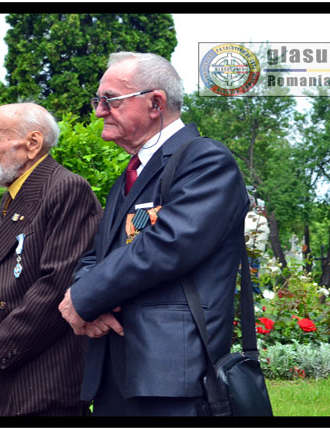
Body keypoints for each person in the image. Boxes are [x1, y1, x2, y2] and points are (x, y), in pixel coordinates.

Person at [58, 52, 249, 416]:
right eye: (97, 100)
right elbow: (96, 254)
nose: (98, 111)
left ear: (155, 103)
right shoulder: (129, 176)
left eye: (109, 100)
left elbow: (167, 245)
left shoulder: (205, 161)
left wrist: (85, 297)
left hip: (172, 373)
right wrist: (86, 300)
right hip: (117, 369)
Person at [0, 103, 102, 416]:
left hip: (48, 380)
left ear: (33, 143)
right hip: (14, 378)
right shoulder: (13, 194)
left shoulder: (66, 188)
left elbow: (56, 286)